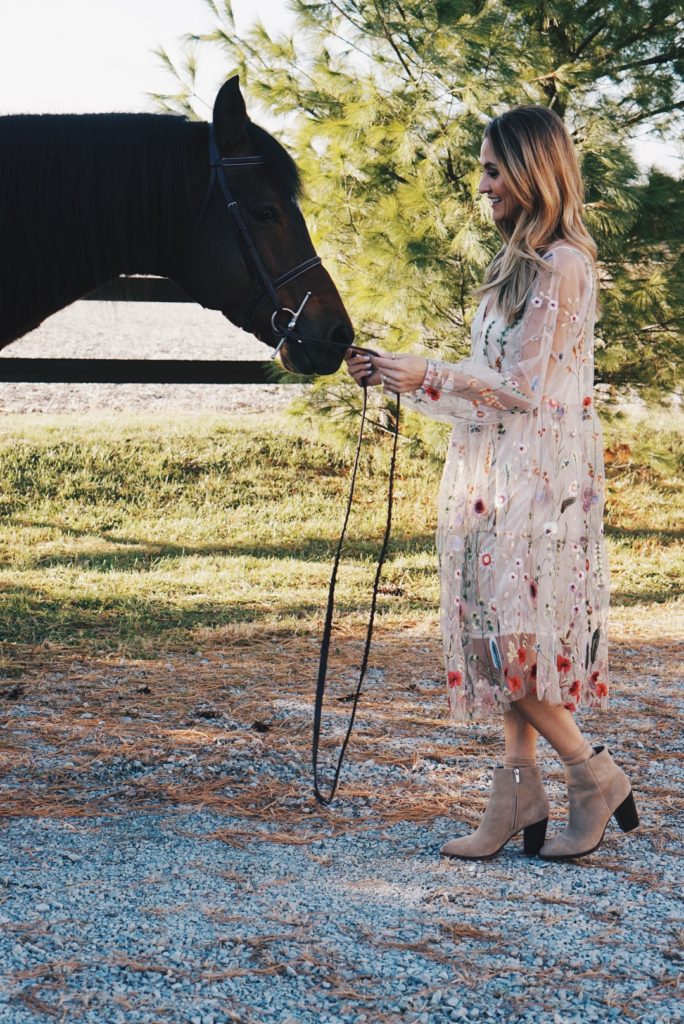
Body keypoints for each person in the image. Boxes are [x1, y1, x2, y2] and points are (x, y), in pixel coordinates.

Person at [345, 106, 639, 861]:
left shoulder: (565, 264)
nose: (481, 186)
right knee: (499, 637)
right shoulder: (514, 264)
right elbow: (484, 384)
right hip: (493, 472)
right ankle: (518, 791)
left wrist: (429, 370)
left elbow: (522, 389)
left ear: (533, 172)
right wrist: (395, 374)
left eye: (492, 170)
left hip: (541, 478)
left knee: (509, 642)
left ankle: (591, 774)